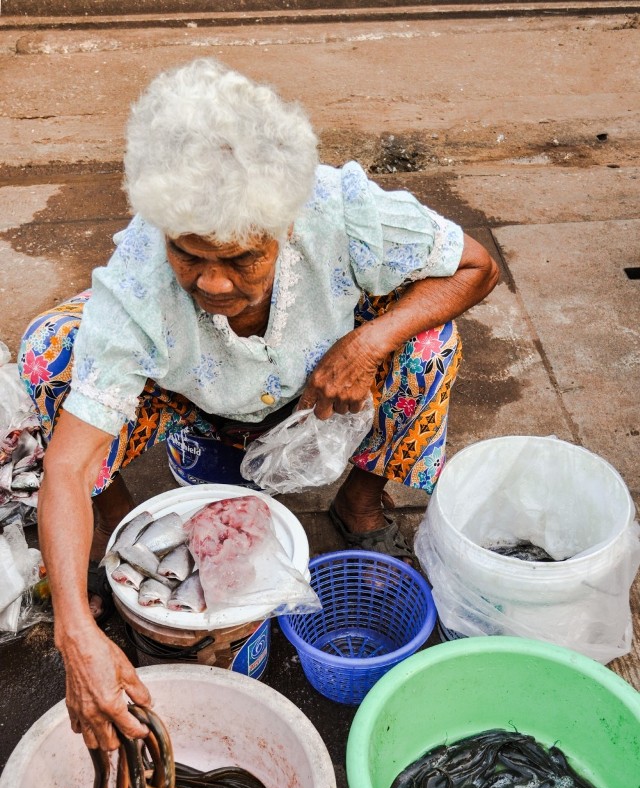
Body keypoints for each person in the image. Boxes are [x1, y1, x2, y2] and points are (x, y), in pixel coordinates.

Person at [19, 58, 499, 752]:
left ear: (286, 225)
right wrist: (75, 631)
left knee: (428, 340)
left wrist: (367, 344)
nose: (213, 283)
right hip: (199, 402)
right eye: (190, 256)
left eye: (243, 259)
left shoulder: (337, 209)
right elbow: (64, 467)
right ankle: (124, 531)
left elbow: (475, 266)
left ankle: (361, 500)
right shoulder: (140, 279)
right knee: (50, 351)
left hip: (323, 388)